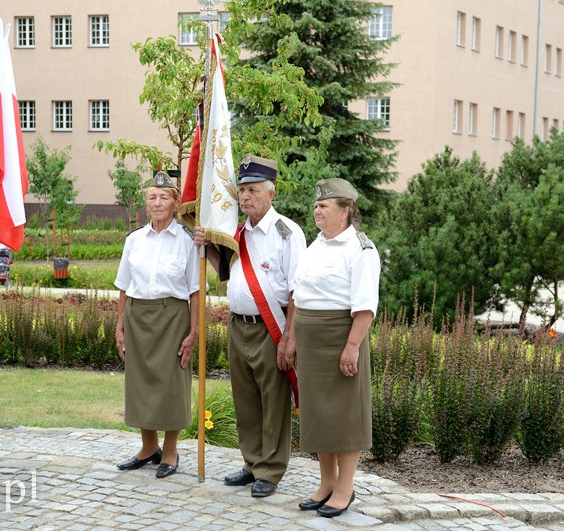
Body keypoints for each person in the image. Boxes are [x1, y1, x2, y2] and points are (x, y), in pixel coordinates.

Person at [195, 154, 306, 498]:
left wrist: (290, 337)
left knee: (273, 400)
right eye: (242, 190)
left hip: (271, 328)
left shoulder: (287, 233)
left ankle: (271, 470)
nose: (245, 197)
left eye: (253, 190)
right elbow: (227, 275)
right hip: (238, 326)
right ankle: (251, 462)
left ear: (271, 193)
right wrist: (208, 250)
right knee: (245, 398)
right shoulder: (237, 233)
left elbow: (297, 291)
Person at [290, 178, 380, 518]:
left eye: (323, 206)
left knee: (344, 414)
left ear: (345, 212)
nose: (317, 210)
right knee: (319, 414)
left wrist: (351, 347)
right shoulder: (315, 246)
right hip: (312, 342)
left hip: (340, 338)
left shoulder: (360, 250)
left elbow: (365, 307)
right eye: (316, 205)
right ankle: (326, 483)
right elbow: (300, 295)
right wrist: (295, 338)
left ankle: (345, 488)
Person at [114, 170, 199, 479]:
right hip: (138, 316)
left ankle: (171, 450)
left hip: (172, 316)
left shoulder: (188, 240)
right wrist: (119, 325)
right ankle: (148, 448)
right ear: (146, 203)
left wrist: (194, 332)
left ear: (176, 203)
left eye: (164, 197)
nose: (158, 202)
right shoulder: (134, 240)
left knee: (172, 384)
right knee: (140, 383)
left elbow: (194, 291)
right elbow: (123, 285)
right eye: (152, 197)